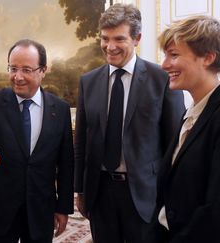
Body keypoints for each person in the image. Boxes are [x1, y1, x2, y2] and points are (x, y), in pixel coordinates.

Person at [74, 4, 185, 243]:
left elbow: (175, 146)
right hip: (100, 192)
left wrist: (172, 197)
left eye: (119, 39)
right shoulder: (88, 81)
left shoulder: (162, 79)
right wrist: (80, 190)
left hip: (145, 195)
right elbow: (81, 141)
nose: (110, 46)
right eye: (105, 38)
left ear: (137, 38)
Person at [0, 39, 74, 242]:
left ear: (43, 70)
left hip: (41, 208)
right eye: (13, 68)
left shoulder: (60, 109)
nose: (17, 77)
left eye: (27, 70)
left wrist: (63, 208)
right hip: (0, 207)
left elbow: (66, 163)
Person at [152, 15, 220, 243]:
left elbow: (214, 212)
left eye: (174, 55)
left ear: (208, 58)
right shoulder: (191, 113)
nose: (164, 64)